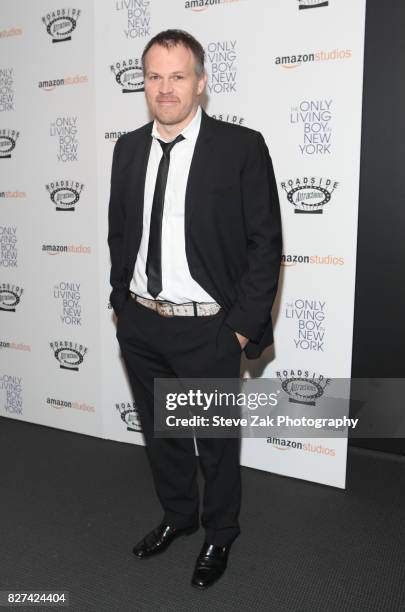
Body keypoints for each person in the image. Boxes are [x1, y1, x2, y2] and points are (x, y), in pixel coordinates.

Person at [107, 28, 282, 590]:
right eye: (154, 76)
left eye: (177, 76)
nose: (165, 88)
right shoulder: (128, 147)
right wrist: (121, 301)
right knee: (163, 437)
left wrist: (237, 331)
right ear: (144, 83)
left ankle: (220, 531)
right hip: (139, 322)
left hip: (207, 328)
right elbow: (119, 233)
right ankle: (179, 517)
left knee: (215, 445)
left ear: (201, 83)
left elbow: (266, 247)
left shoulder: (241, 147)